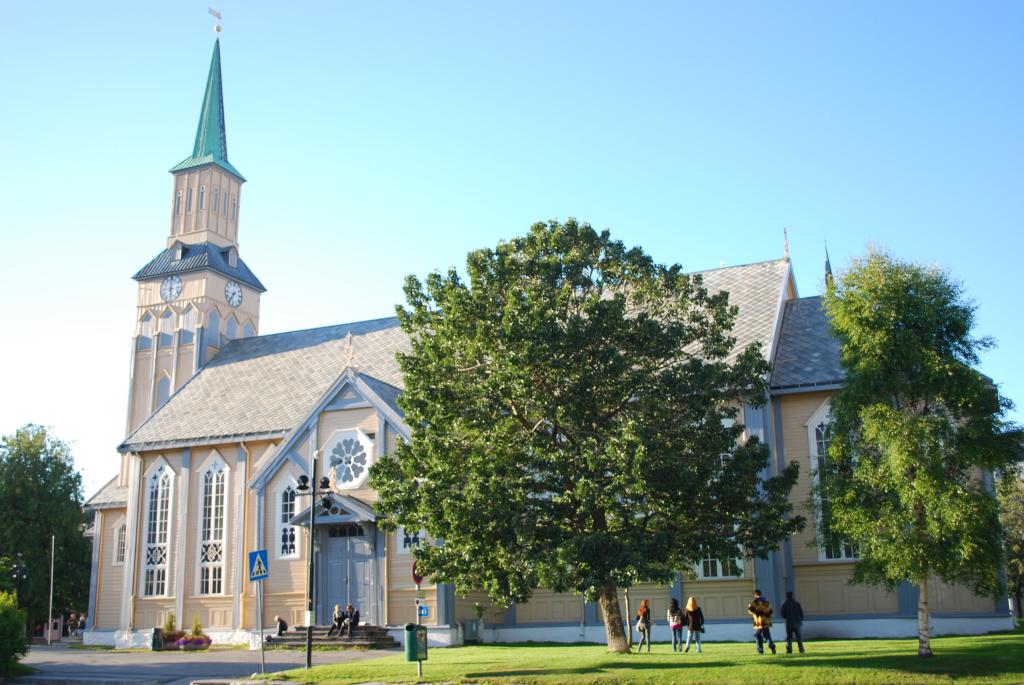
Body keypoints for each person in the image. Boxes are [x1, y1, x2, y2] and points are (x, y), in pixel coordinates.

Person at [747, 589, 776, 655]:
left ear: (755, 594)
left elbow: (750, 610)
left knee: (758, 635)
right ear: (761, 594)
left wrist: (756, 613)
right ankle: (771, 645)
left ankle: (760, 650)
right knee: (767, 635)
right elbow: (771, 611)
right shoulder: (766, 602)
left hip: (758, 622)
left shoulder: (754, 602)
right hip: (766, 622)